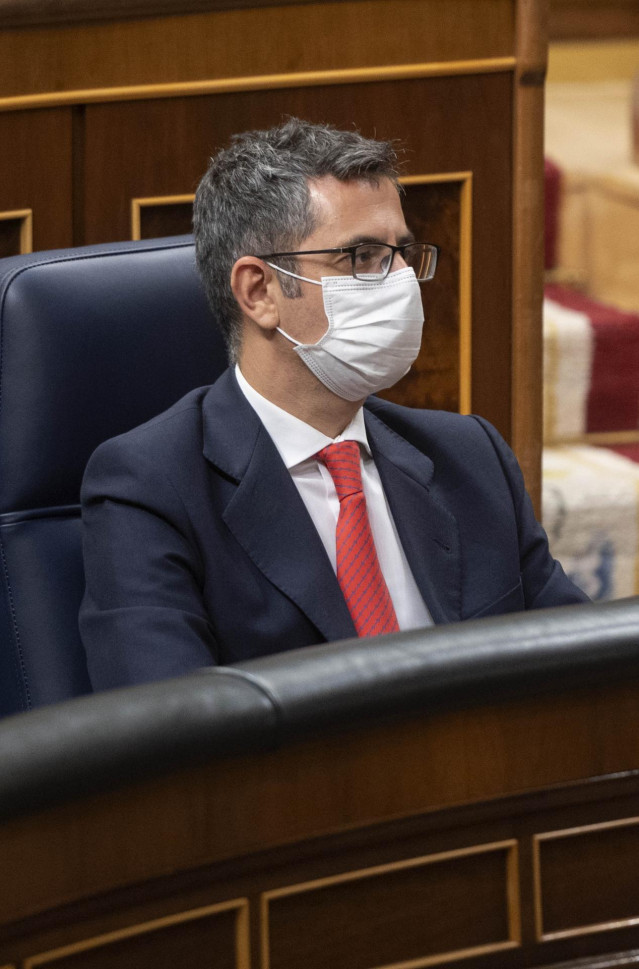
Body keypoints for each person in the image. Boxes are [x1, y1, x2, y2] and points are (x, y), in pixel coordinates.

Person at [80, 117, 588, 690]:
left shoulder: (470, 457)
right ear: (259, 292)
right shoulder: (149, 489)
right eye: (363, 256)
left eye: (402, 253)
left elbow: (585, 674)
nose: (401, 280)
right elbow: (166, 738)